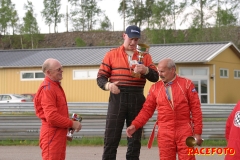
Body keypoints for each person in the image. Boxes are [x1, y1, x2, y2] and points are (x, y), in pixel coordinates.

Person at [97, 25, 159, 160]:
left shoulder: (145, 56)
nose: (133, 43)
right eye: (131, 39)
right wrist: (109, 85)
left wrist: (145, 70)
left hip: (137, 97)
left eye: (136, 40)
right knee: (111, 137)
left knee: (135, 140)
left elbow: (155, 77)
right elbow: (100, 78)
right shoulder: (111, 54)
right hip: (117, 96)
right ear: (124, 35)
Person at [126, 58, 203, 160]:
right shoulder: (155, 88)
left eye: (162, 71)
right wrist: (135, 125)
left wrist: (197, 133)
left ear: (172, 70)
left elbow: (196, 110)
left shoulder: (187, 84)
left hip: (185, 130)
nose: (159, 74)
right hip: (164, 132)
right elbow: (146, 110)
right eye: (158, 71)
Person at [34, 58, 82, 160]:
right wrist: (71, 123)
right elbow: (51, 117)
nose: (61, 71)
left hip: (57, 134)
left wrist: (68, 126)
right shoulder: (48, 89)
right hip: (52, 135)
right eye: (58, 69)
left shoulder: (54, 86)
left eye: (61, 68)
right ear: (48, 72)